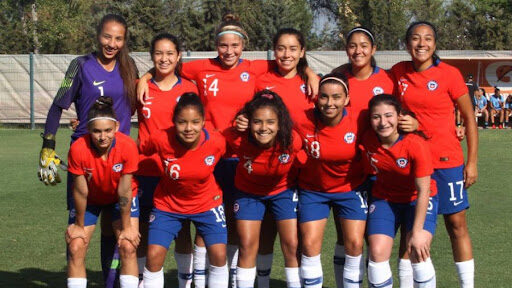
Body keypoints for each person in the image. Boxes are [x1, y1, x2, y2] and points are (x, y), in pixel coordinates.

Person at [137, 15, 319, 288]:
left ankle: (232, 279)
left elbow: (289, 59)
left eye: (235, 45)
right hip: (206, 155)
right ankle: (200, 280)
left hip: (242, 155)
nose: (229, 50)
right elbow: (168, 64)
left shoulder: (254, 68)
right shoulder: (200, 68)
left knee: (233, 223)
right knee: (204, 219)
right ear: (216, 45)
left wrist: (310, 72)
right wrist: (146, 76)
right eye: (224, 45)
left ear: (243, 47)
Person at [38, 13, 138, 286]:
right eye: (107, 36)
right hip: (85, 161)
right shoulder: (80, 65)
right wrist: (48, 145)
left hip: (120, 162)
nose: (112, 43)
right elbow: (58, 105)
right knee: (78, 240)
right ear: (97, 35)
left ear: (124, 41)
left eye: (118, 38)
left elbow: (140, 106)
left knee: (118, 236)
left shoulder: (129, 68)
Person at [390, 21, 478, 288]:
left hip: (447, 161)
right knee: (410, 229)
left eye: (427, 38)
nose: (421, 44)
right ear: (406, 45)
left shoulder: (449, 74)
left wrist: (472, 162)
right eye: (415, 39)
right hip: (413, 163)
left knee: (456, 226)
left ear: (435, 44)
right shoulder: (398, 73)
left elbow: (469, 119)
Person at [139, 93, 229, 288]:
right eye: (182, 122)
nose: (189, 128)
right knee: (153, 255)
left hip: (207, 204)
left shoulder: (216, 142)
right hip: (168, 205)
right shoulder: (160, 138)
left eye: (195, 122)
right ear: (173, 122)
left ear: (204, 121)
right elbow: (140, 152)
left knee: (219, 255)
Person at [250, 28, 315, 287]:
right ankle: (262, 282)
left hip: (303, 169)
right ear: (273, 51)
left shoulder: (312, 82)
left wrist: (310, 73)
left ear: (302, 52)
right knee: (266, 231)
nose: (286, 54)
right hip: (269, 167)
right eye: (281, 48)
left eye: (292, 49)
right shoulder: (260, 78)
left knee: (296, 237)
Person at [135, 33, 199, 287]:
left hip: (178, 171)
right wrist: (143, 78)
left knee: (182, 230)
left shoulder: (189, 89)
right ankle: (141, 279)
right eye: (159, 53)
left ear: (179, 56)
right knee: (142, 229)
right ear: (152, 56)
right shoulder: (141, 87)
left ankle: (186, 282)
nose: (164, 58)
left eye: (170, 53)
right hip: (146, 170)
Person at [296, 73, 369, 288]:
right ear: (317, 98)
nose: (330, 103)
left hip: (351, 189)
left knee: (355, 244)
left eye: (336, 97)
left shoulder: (361, 118)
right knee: (309, 245)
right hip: (313, 191)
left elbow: (391, 119)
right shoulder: (302, 119)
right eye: (324, 97)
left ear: (347, 99)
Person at [226, 90, 304, 288]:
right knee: (247, 245)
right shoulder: (237, 140)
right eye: (257, 121)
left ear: (280, 124)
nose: (263, 128)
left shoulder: (292, 141)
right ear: (249, 122)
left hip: (283, 192)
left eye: (270, 122)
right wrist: (236, 126)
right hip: (248, 193)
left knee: (291, 244)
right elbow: (214, 140)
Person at [360, 94, 438, 288]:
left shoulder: (415, 144)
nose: (383, 122)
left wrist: (418, 232)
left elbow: (423, 191)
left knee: (417, 249)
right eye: (376, 117)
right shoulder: (368, 139)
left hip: (417, 199)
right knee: (376, 252)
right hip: (386, 198)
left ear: (399, 116)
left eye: (388, 116)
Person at [66, 97, 140, 288]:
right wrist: (79, 226)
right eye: (97, 131)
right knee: (76, 246)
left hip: (120, 197)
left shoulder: (128, 146)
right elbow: (81, 191)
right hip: (90, 198)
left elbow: (124, 190)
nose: (102, 137)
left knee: (128, 245)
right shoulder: (78, 148)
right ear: (88, 130)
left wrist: (126, 228)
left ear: (116, 127)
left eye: (108, 130)